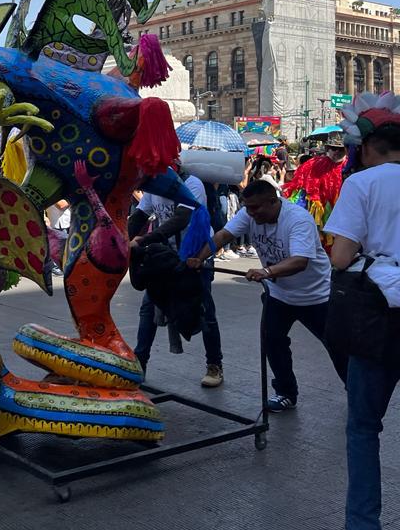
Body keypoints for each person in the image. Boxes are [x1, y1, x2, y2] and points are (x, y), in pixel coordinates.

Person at [188, 179, 347, 410]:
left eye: (256, 208)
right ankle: (286, 393)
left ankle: (355, 388)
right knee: (273, 342)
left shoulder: (297, 220)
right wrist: (200, 258)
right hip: (279, 295)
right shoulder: (249, 213)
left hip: (316, 296)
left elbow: (300, 261)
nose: (251, 213)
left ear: (273, 202)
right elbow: (223, 236)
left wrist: (267, 271)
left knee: (337, 346)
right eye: (248, 207)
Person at [323, 118, 400, 530]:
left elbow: (340, 256)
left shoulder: (363, 184)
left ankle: (363, 523)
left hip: (378, 316)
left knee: (364, 428)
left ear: (369, 147)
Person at [129, 165, 224, 387]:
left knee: (205, 310)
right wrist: (122, 238)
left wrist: (144, 240)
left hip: (195, 255)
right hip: (165, 256)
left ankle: (214, 365)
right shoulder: (153, 186)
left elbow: (181, 218)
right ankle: (138, 364)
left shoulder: (191, 184)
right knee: (148, 309)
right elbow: (139, 216)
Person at [282, 131, 348, 252]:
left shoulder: (350, 167)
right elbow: (298, 189)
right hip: (317, 214)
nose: (337, 152)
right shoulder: (313, 164)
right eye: (333, 148)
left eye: (340, 149)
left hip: (342, 215)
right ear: (327, 148)